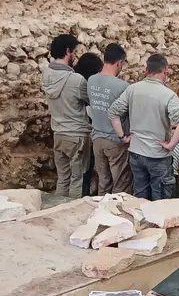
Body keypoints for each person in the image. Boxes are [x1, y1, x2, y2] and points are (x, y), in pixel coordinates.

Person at [108, 54, 179, 201]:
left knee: (140, 198)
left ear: (146, 70)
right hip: (158, 155)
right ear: (165, 70)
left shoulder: (132, 90)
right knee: (161, 201)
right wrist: (171, 145)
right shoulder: (168, 95)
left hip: (136, 153)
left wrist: (123, 137)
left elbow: (113, 112)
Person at [42, 34, 90, 199]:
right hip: (76, 135)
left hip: (58, 134)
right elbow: (89, 101)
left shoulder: (46, 74)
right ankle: (72, 215)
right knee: (77, 179)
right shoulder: (76, 80)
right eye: (75, 52)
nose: (76, 56)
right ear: (68, 51)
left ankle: (58, 209)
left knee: (62, 178)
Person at [88, 43, 133, 195]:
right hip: (115, 141)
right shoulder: (123, 86)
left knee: (104, 182)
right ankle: (117, 215)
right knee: (121, 183)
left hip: (97, 139)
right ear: (120, 62)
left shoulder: (91, 81)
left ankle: (101, 213)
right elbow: (129, 114)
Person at [73, 52, 103, 196]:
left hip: (63, 131)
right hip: (83, 133)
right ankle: (83, 197)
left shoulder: (72, 80)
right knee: (84, 171)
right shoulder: (84, 85)